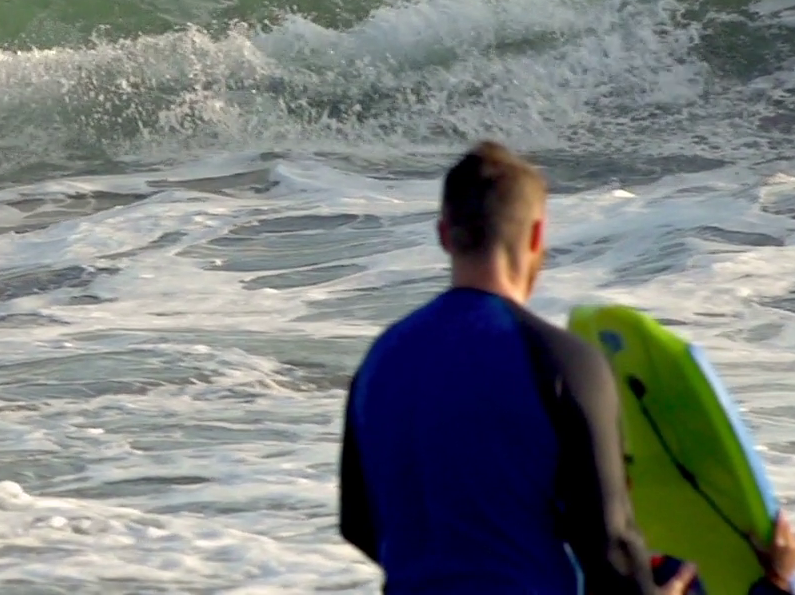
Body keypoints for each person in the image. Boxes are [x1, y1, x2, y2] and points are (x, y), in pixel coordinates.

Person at [340, 141, 795, 594]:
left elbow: (359, 524)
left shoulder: (379, 362)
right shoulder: (561, 360)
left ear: (443, 233)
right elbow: (610, 550)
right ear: (537, 237)